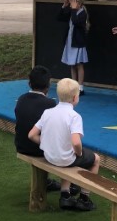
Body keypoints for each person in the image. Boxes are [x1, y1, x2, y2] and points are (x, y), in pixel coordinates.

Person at [28, 78, 100, 212]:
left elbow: (31, 135)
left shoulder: (47, 112)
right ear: (74, 98)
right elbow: (76, 142)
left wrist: (46, 143)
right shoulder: (74, 116)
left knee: (65, 152)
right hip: (65, 159)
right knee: (95, 159)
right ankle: (84, 198)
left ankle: (65, 194)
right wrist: (79, 153)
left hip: (50, 156)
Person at [14, 65, 75, 194]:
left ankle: (47, 181)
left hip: (21, 145)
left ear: (29, 83)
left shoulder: (21, 99)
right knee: (68, 145)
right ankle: (68, 188)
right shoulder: (50, 104)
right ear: (48, 85)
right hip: (38, 148)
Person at [59, 0, 89, 94]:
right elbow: (60, 18)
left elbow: (76, 22)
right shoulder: (72, 11)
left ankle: (80, 88)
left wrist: (74, 9)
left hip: (78, 41)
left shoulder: (82, 13)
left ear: (79, 3)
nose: (71, 4)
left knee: (79, 64)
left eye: (73, 2)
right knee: (72, 64)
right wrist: (64, 6)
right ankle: (73, 86)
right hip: (70, 41)